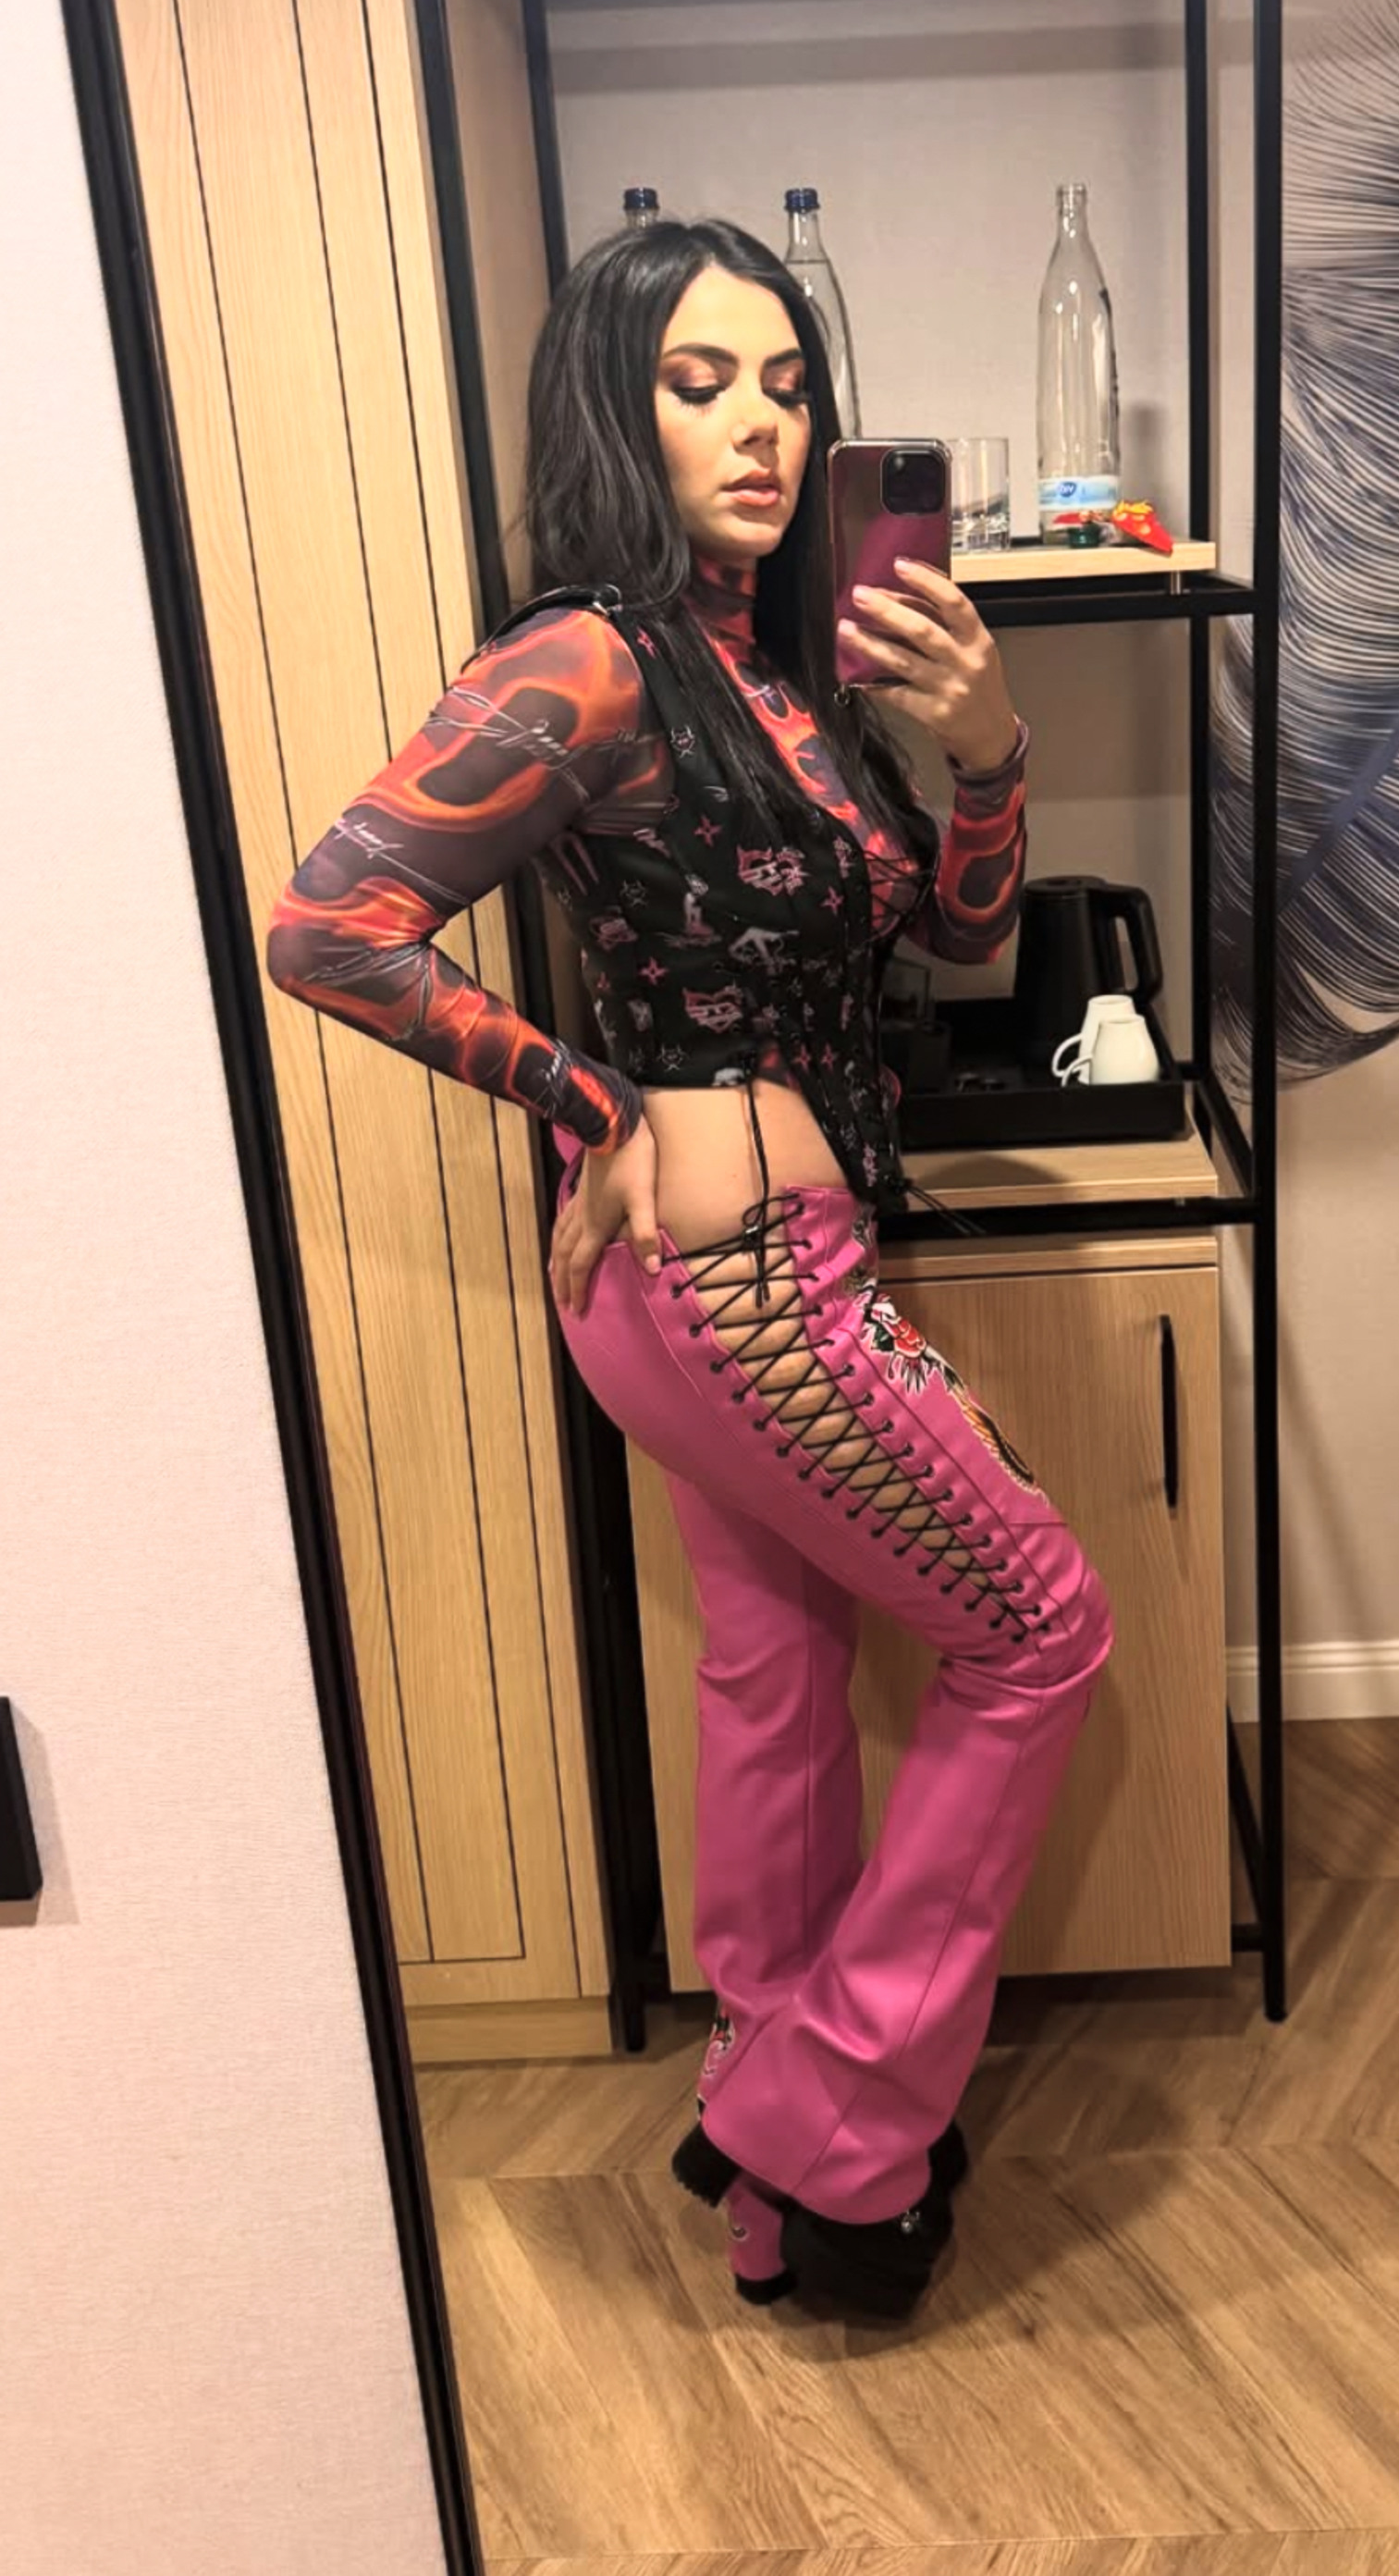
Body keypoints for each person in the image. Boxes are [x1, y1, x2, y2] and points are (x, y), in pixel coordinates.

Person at [267, 217, 1114, 2319]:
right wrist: (585, 1093)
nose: (758, 428)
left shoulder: (785, 670)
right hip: (730, 1274)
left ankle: (772, 2145)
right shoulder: (589, 658)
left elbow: (962, 937)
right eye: (698, 382)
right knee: (1043, 1629)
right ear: (611, 410)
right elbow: (329, 925)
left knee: (776, 1675)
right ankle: (832, 2115)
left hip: (761, 1265)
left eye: (787, 385)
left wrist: (986, 745)